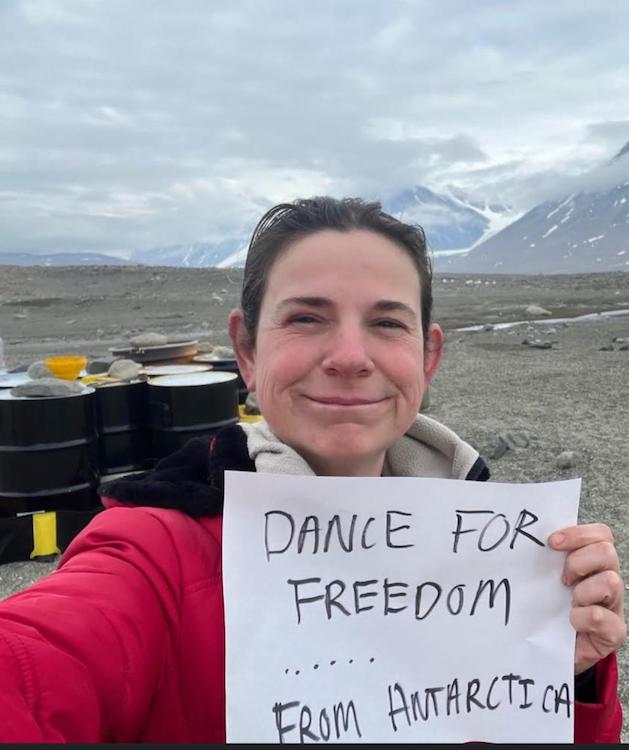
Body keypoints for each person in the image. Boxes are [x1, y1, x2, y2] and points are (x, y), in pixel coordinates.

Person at [0, 197, 624, 743]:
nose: (350, 357)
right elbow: (36, 667)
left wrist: (563, 676)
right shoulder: (154, 554)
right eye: (305, 318)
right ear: (246, 350)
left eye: (386, 322)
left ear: (428, 356)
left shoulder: (500, 555)